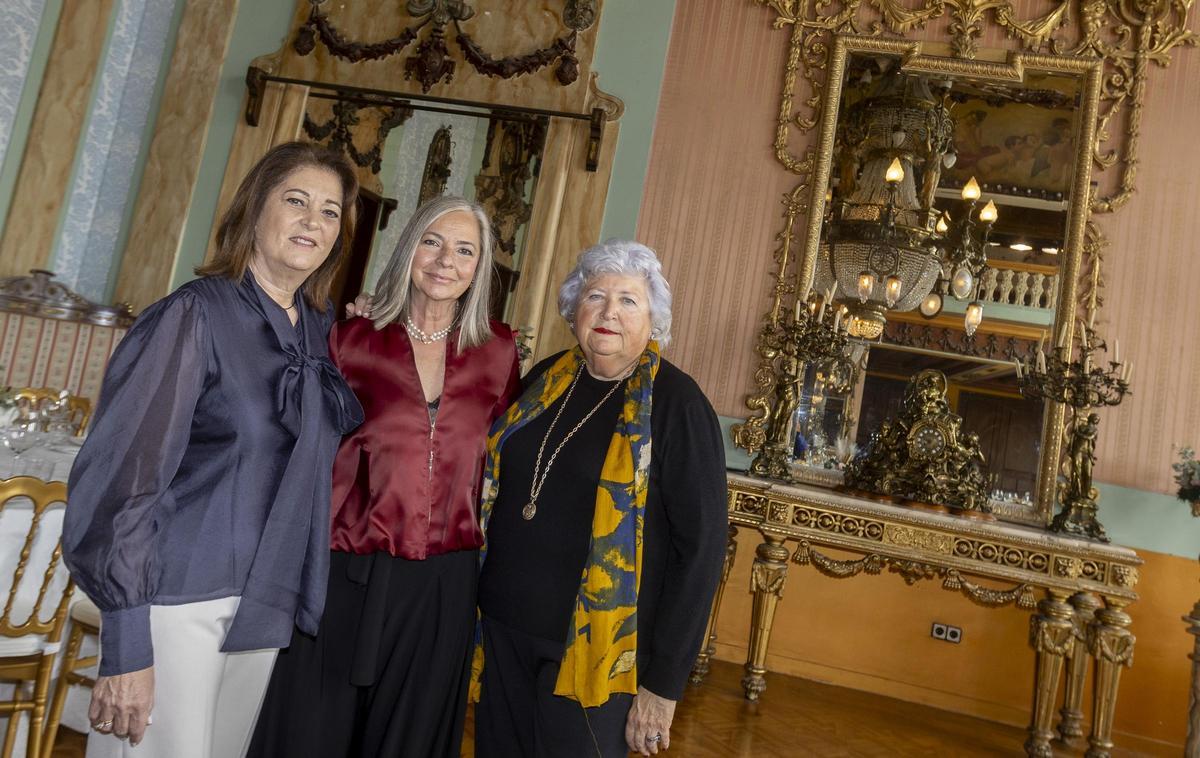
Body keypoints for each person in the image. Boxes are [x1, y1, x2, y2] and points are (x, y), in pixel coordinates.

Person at [62, 141, 365, 757]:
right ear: (255, 208)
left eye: (330, 211)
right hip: (176, 601)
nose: (313, 221)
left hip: (265, 604)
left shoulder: (319, 329)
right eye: (296, 201)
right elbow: (122, 480)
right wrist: (127, 641)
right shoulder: (192, 315)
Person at [248, 196, 520, 758]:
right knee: (311, 730)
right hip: (346, 567)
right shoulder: (350, 339)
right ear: (408, 249)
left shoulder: (499, 352)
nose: (445, 261)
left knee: (409, 739)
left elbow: (502, 462)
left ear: (479, 268)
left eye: (464, 250)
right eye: (432, 243)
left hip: (443, 581)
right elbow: (303, 448)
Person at [471, 240, 729, 757]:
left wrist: (663, 684)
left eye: (628, 300)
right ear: (574, 311)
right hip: (501, 632)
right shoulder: (544, 378)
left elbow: (701, 552)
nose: (609, 312)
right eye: (595, 296)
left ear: (653, 321)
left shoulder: (678, 404)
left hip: (595, 654)